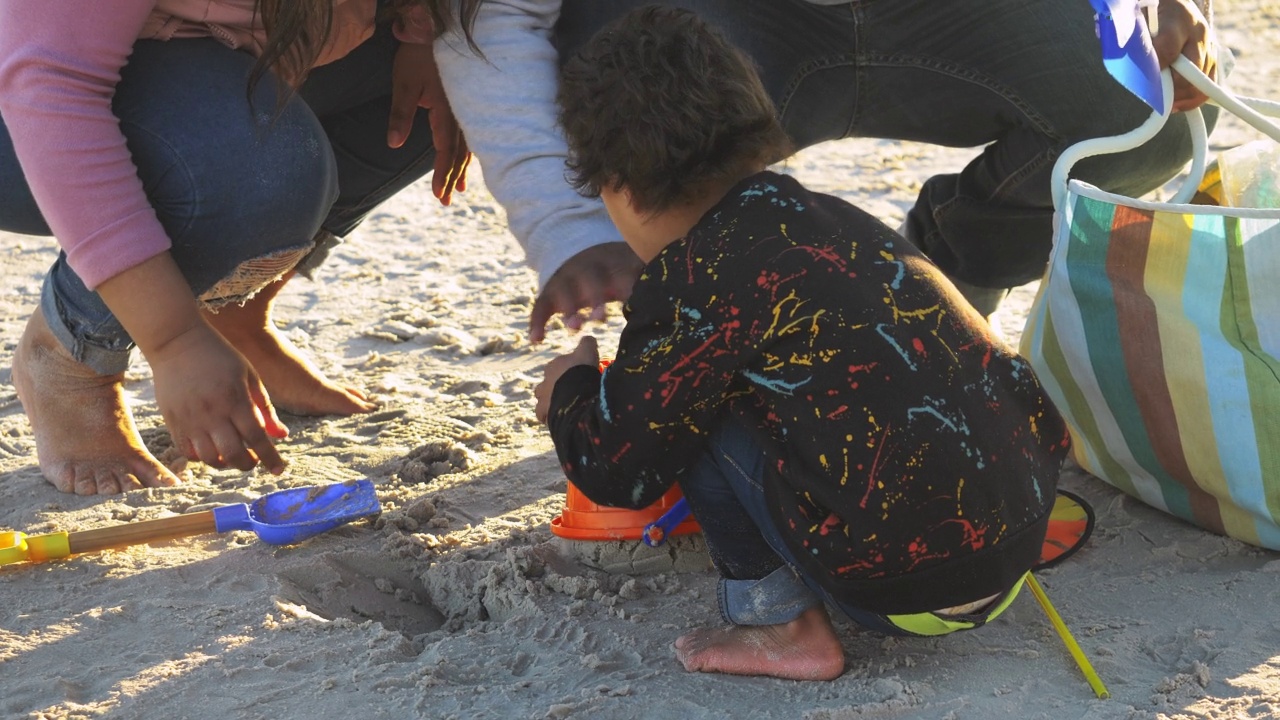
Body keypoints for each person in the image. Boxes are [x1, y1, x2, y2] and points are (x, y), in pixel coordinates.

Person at [534, 6, 1071, 681]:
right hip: (1020, 540)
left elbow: (619, 468)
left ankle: (779, 623)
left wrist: (570, 393)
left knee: (700, 408)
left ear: (618, 187)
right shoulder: (825, 216)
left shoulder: (693, 280)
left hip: (906, 590)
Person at [429, 0, 1220, 334]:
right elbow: (496, 18)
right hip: (730, 21)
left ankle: (940, 303)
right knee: (641, 102)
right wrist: (566, 230)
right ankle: (720, 372)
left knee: (1148, 109)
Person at [0, 0, 470, 494]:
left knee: (468, 67)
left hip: (208, 43)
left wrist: (426, 35)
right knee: (261, 175)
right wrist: (174, 340)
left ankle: (234, 313)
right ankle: (68, 354)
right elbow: (50, 85)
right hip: (28, 93)